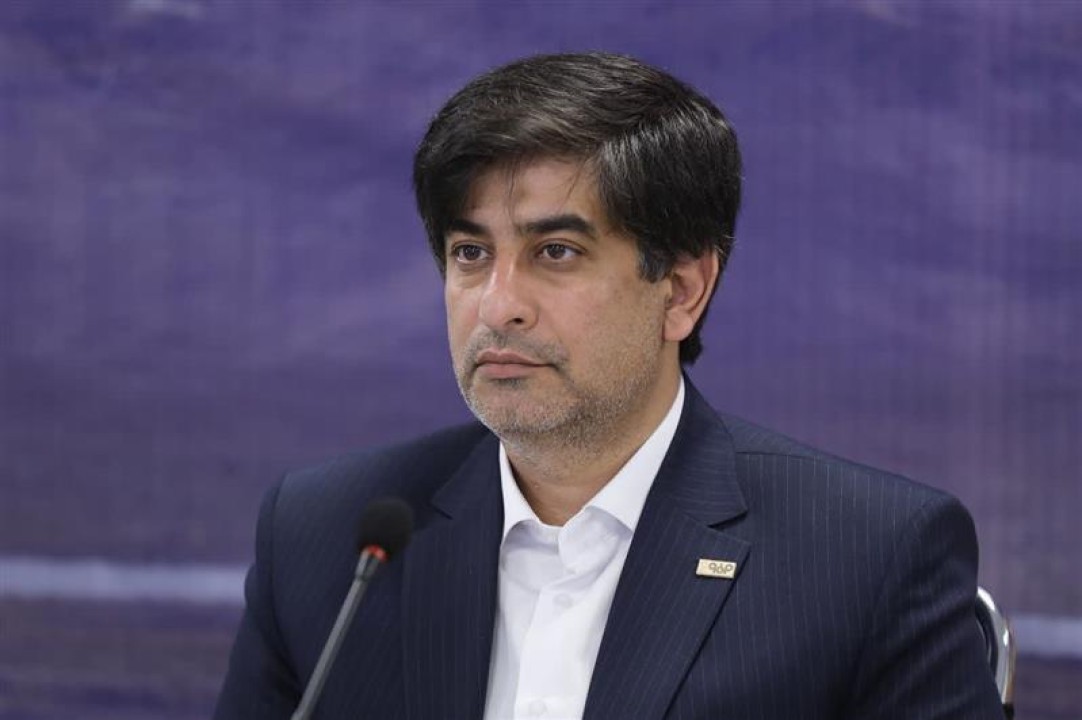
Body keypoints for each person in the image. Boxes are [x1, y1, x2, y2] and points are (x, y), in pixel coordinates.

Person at [215, 52, 1003, 719]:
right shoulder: (330, 536)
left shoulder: (867, 555)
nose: (498, 306)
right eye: (470, 254)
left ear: (682, 291)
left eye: (555, 252)